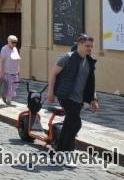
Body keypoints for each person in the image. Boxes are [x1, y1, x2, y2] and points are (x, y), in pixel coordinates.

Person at [47, 34, 99, 168]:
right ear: (80, 44)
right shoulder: (68, 58)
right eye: (87, 46)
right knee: (75, 123)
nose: (90, 48)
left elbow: (90, 83)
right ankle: (67, 153)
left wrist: (94, 99)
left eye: (91, 46)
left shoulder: (89, 61)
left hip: (79, 99)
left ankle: (59, 153)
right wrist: (50, 92)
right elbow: (53, 74)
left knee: (70, 124)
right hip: (65, 96)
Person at [0, 35, 21, 106]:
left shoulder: (15, 49)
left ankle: (5, 95)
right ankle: (9, 100)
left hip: (14, 71)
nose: (15, 44)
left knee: (14, 86)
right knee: (9, 86)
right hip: (7, 71)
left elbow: (17, 60)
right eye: (13, 42)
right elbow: (2, 61)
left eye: (16, 42)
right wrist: (2, 72)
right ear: (9, 42)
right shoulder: (4, 49)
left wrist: (19, 71)